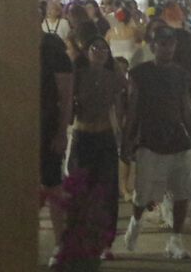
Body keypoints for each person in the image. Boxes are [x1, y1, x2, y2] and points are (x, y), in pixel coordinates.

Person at [122, 27, 191, 260]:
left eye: (171, 44)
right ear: (153, 46)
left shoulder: (181, 74)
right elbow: (133, 109)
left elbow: (184, 107)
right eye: (162, 44)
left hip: (178, 138)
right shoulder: (140, 74)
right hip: (149, 139)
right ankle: (135, 222)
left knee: (182, 191)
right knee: (143, 194)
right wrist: (127, 141)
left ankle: (175, 239)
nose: (167, 49)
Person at [68, 37, 126, 258]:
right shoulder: (78, 75)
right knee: (81, 187)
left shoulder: (114, 76)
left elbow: (122, 102)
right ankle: (81, 237)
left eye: (104, 49)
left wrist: (122, 132)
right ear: (87, 51)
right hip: (83, 135)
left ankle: (105, 242)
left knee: (108, 190)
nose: (100, 52)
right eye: (95, 48)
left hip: (104, 135)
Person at [40, 28, 75, 251]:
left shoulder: (54, 53)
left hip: (47, 127)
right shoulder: (15, 48)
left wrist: (62, 131)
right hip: (22, 125)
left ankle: (60, 242)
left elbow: (65, 97)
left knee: (52, 185)